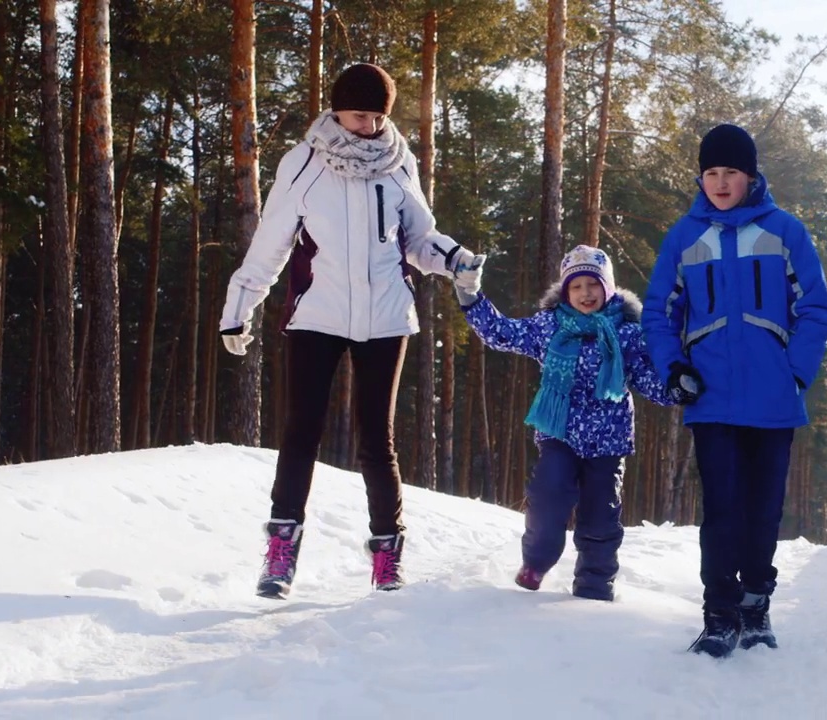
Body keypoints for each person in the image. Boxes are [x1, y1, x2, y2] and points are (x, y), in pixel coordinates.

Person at [219, 63, 479, 599]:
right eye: (360, 115)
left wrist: (454, 259)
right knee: (301, 430)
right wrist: (239, 306)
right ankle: (281, 551)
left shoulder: (398, 161)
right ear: (337, 110)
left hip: (385, 318)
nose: (369, 126)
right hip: (318, 314)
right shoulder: (304, 163)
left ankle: (387, 554)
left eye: (378, 116)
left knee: (376, 441)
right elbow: (272, 243)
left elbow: (418, 238)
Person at [641, 123, 827, 657]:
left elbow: (815, 308)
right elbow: (658, 312)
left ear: (751, 176)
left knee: (763, 508)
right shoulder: (685, 237)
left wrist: (795, 373)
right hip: (712, 398)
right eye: (711, 173)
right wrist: (674, 366)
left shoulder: (785, 231)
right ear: (700, 178)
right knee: (722, 508)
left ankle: (755, 607)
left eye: (731, 172)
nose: (721, 183)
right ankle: (719, 613)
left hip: (774, 400)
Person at [456, 245, 673, 601]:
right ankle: (536, 562)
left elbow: (650, 381)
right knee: (547, 496)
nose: (586, 293)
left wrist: (680, 387)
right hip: (560, 435)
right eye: (577, 286)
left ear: (609, 288)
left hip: (608, 441)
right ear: (565, 290)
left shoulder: (628, 334)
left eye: (593, 284)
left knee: (601, 517)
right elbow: (502, 333)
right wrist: (470, 296)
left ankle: (594, 586)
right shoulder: (550, 326)